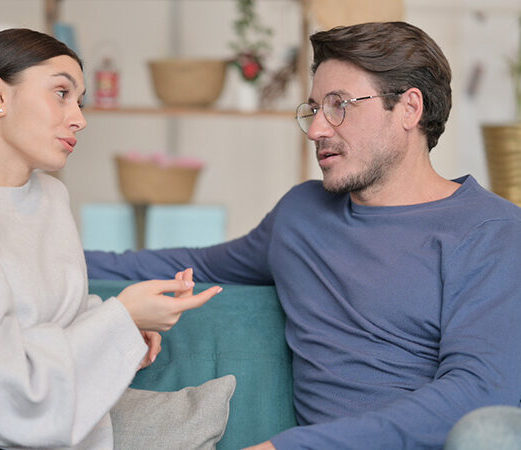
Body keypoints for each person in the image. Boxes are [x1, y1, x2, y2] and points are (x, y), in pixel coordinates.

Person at [85, 21, 521, 449]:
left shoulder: (491, 233)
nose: (317, 129)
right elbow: (178, 266)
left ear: (409, 108)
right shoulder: (302, 216)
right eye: (314, 109)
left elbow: (479, 394)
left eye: (339, 106)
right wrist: (40, 256)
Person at [0, 28, 221, 450]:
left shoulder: (50, 198)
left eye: (80, 101)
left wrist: (126, 331)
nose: (79, 118)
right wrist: (119, 319)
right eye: (61, 93)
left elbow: (57, 321)